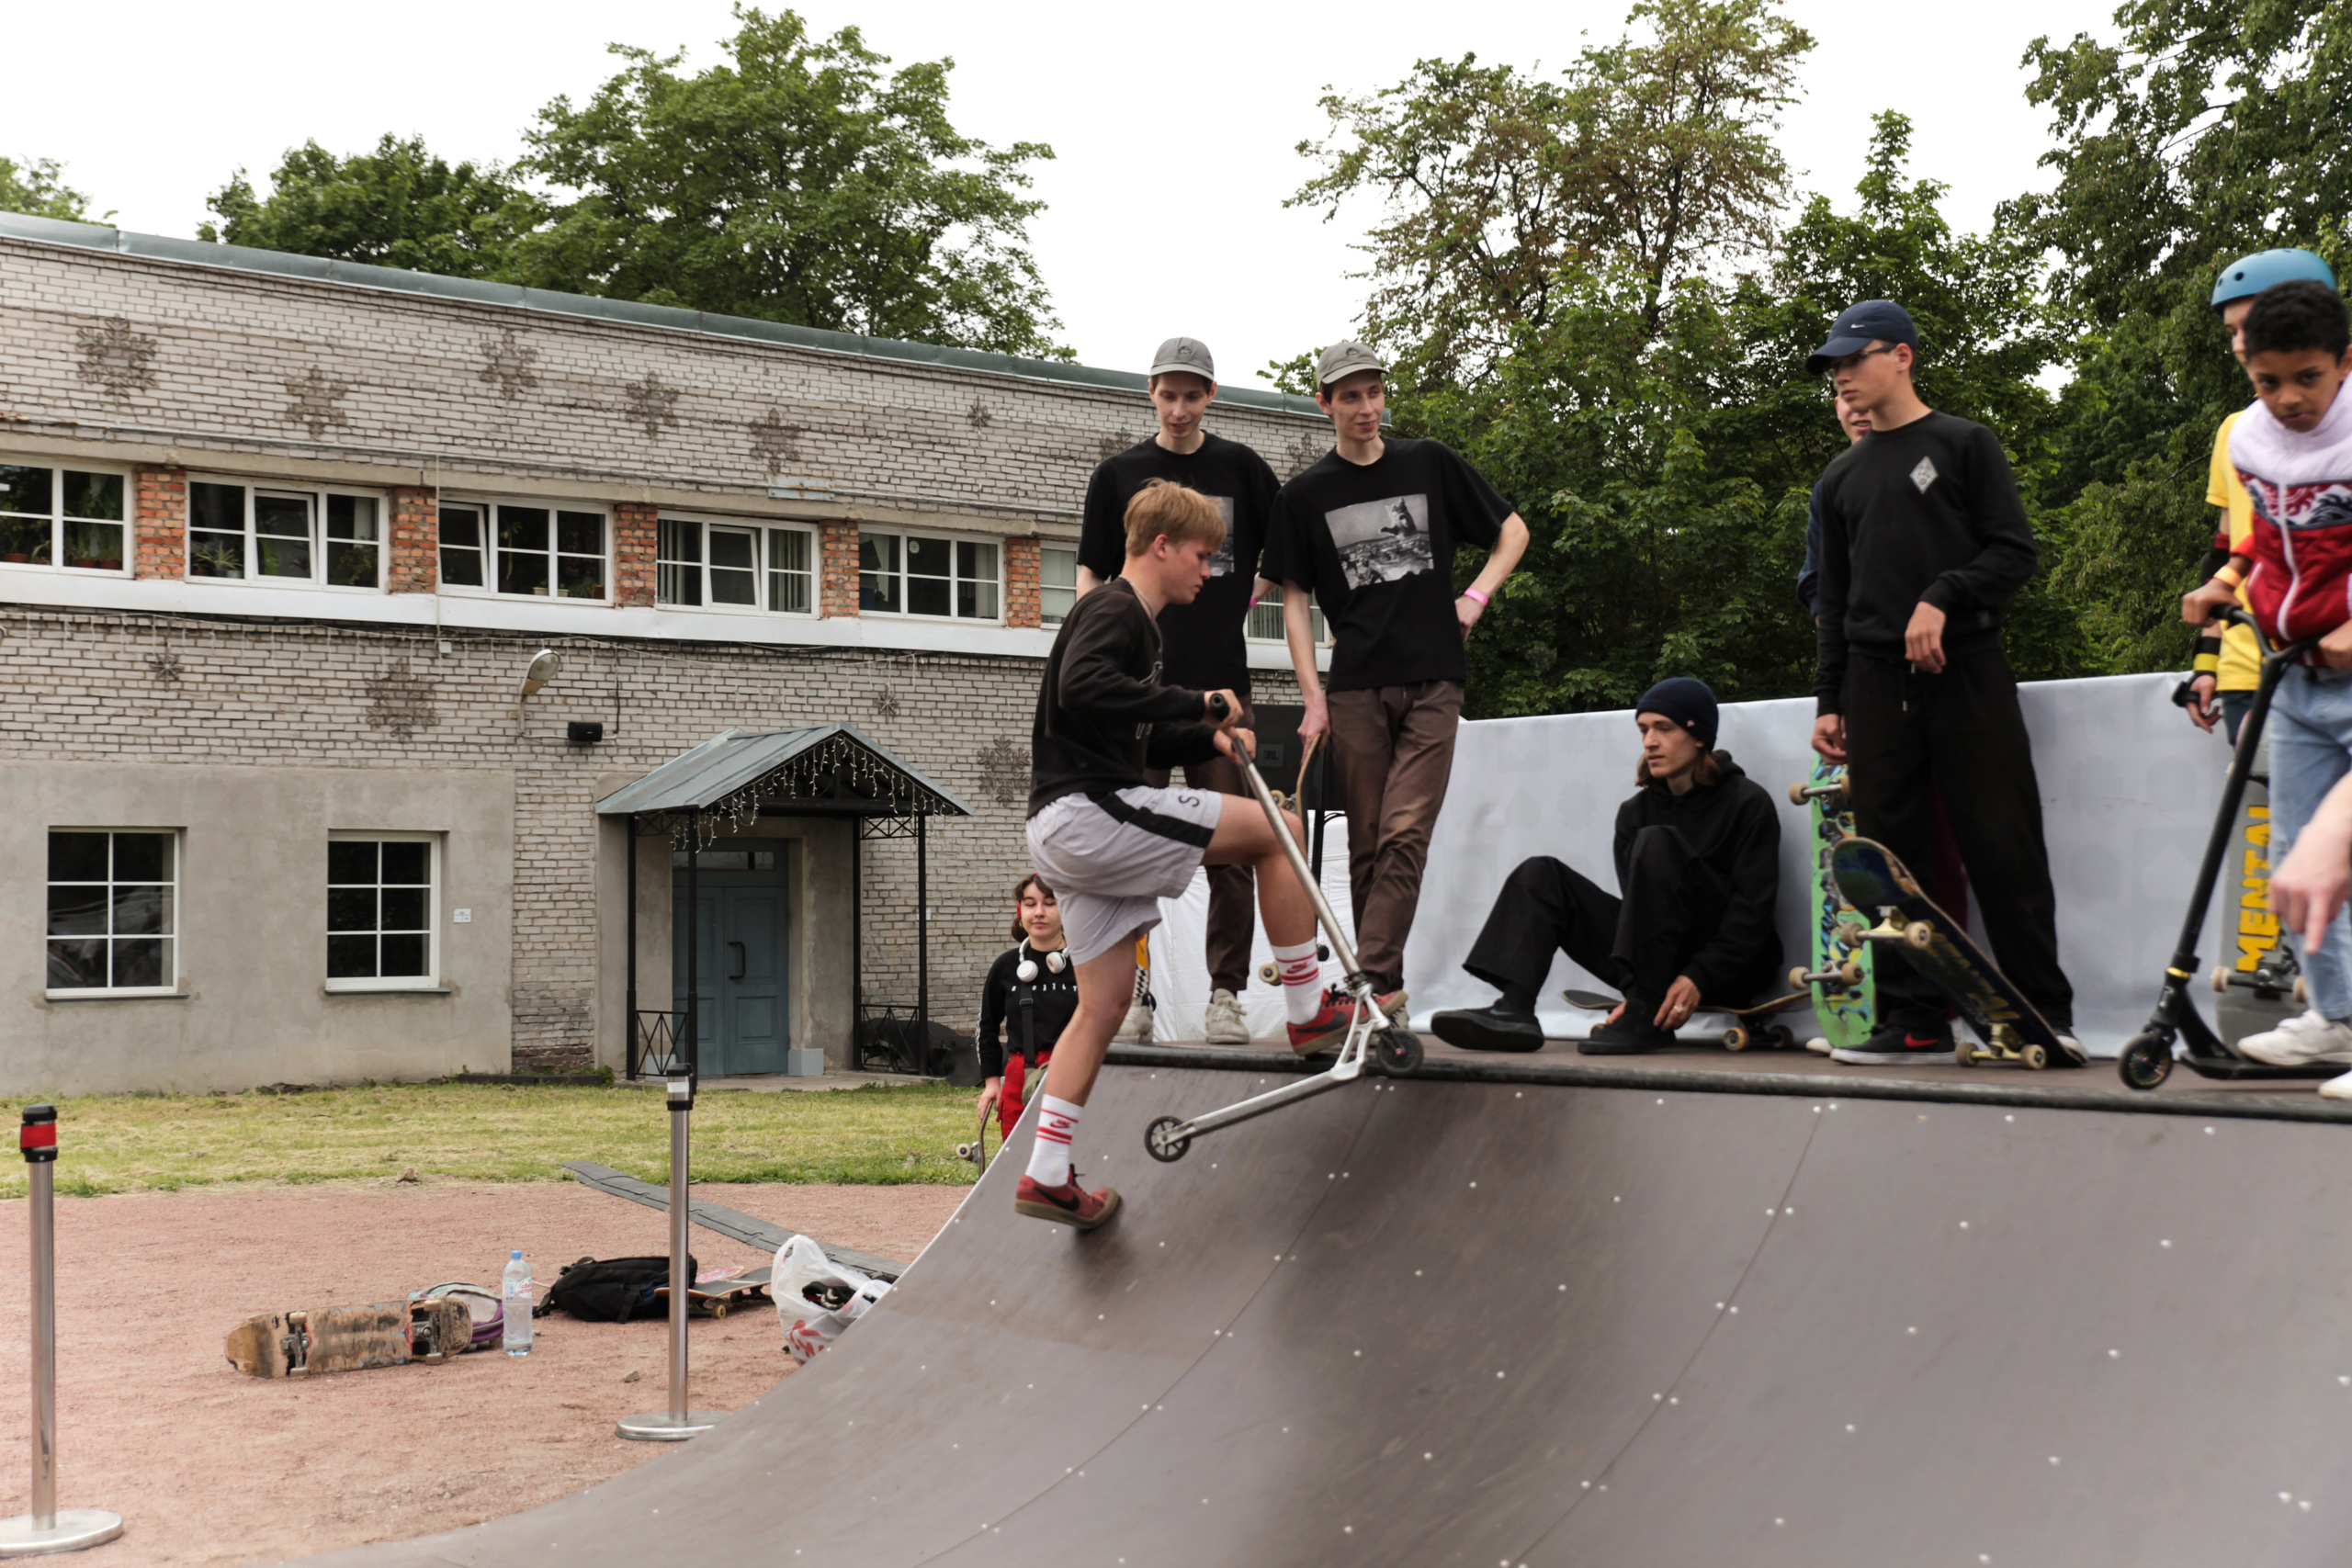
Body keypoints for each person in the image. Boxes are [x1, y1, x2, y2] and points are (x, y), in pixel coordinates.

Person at [1018, 479, 1352, 1229]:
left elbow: (1130, 725)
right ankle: (1307, 1008)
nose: (1210, 572)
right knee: (1283, 832)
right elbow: (1084, 685)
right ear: (1162, 546)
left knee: (1102, 1005)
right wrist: (1198, 700)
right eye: (1203, 556)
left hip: (1063, 825)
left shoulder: (1137, 626)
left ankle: (1045, 1171)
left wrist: (1204, 735)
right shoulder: (1114, 608)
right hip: (1090, 812)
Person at [1807, 299, 2079, 1066]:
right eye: (1833, 368)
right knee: (1890, 858)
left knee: (2003, 841)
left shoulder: (1964, 443)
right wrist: (1829, 701)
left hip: (1965, 668)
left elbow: (2014, 552)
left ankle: (2043, 1014)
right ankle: (1916, 1018)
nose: (1843, 376)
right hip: (1870, 682)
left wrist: (1943, 593)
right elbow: (1833, 601)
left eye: (1853, 359)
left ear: (1902, 356)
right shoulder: (1839, 478)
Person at [1261, 341, 1531, 1019]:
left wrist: (1477, 596)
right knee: (1368, 841)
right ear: (1325, 403)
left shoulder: (1428, 462)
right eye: (1349, 396)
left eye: (1374, 392)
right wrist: (1312, 697)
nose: (1366, 407)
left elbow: (1514, 531)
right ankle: (1389, 992)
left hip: (1435, 676)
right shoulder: (1304, 495)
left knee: (1407, 830)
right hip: (1354, 685)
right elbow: (1293, 601)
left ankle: (1370, 983)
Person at [1076, 337, 1281, 1045]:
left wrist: (1241, 605)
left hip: (1220, 692)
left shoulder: (1241, 468)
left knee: (1236, 843)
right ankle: (1137, 994)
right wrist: (1096, 648)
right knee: (1127, 838)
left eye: (1194, 395)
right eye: (1169, 394)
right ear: (1151, 393)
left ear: (1211, 397)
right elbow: (1090, 575)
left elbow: (1285, 550)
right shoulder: (1119, 474)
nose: (1181, 407)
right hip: (1139, 693)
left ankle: (1226, 995)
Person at [2179, 278, 2352, 1075]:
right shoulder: (2249, 438)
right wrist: (2227, 582)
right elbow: (2265, 539)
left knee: (2334, 851)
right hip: (2294, 677)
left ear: (2345, 362)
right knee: (2292, 855)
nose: (2287, 399)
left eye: (2307, 378)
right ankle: (2337, 1016)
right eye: (2268, 381)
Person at [1428, 680, 1781, 1054]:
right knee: (1542, 874)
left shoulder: (1747, 803)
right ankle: (1515, 1008)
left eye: (1664, 728)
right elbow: (1639, 915)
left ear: (1698, 737)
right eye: (1644, 730)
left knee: (1657, 841)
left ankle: (1645, 1016)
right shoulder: (1635, 813)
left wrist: (1699, 974)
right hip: (1659, 967)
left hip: (1734, 968)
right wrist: (1639, 987)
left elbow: (1753, 912)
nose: (1649, 742)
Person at [2179, 251, 2340, 743]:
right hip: (2254, 665)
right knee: (2283, 820)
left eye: (2251, 325)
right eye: (2232, 332)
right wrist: (2207, 663)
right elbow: (2226, 552)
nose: (2242, 344)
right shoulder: (2238, 432)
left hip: (2335, 649)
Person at [976, 874, 1077, 1142]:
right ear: (1021, 912)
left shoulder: (1088, 964)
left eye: (1050, 903)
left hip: (1077, 1073)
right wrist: (992, 1083)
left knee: (1074, 1156)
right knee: (1017, 1160)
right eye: (1030, 904)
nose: (1039, 912)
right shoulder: (1006, 967)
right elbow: (986, 1027)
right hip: (1020, 1079)